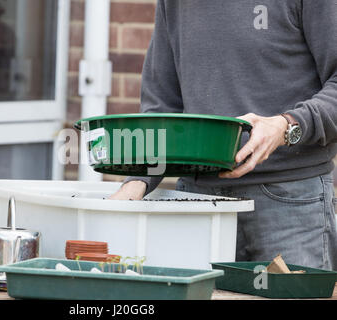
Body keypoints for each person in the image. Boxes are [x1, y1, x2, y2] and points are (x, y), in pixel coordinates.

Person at [110, 0, 337, 270]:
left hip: (289, 203)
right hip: (199, 203)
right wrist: (138, 179)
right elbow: (162, 104)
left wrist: (286, 126)